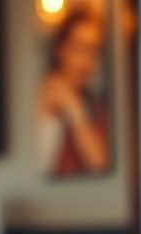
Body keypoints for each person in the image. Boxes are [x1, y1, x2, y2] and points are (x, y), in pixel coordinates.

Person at [36, 7, 109, 176]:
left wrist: (75, 110)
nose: (87, 62)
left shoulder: (96, 106)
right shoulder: (33, 96)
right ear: (60, 49)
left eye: (93, 51)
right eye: (80, 48)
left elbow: (100, 165)